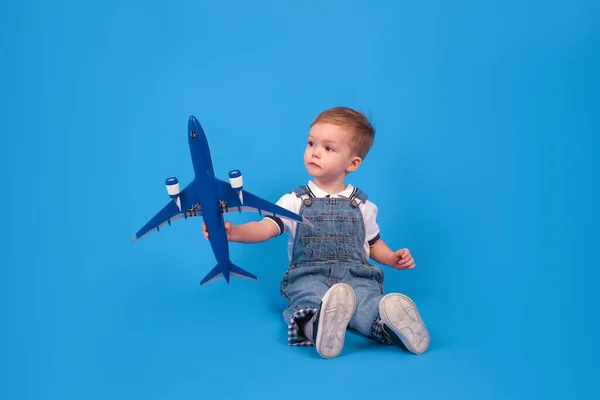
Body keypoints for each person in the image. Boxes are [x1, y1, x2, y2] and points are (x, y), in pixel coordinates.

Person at [203, 106, 430, 359]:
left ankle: (394, 323)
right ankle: (322, 326)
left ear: (352, 163)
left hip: (356, 276)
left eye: (328, 148)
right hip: (309, 275)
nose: (315, 153)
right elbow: (265, 228)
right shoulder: (294, 201)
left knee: (366, 305)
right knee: (308, 300)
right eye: (311, 143)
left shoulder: (363, 205)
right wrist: (233, 232)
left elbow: (373, 243)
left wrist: (391, 258)